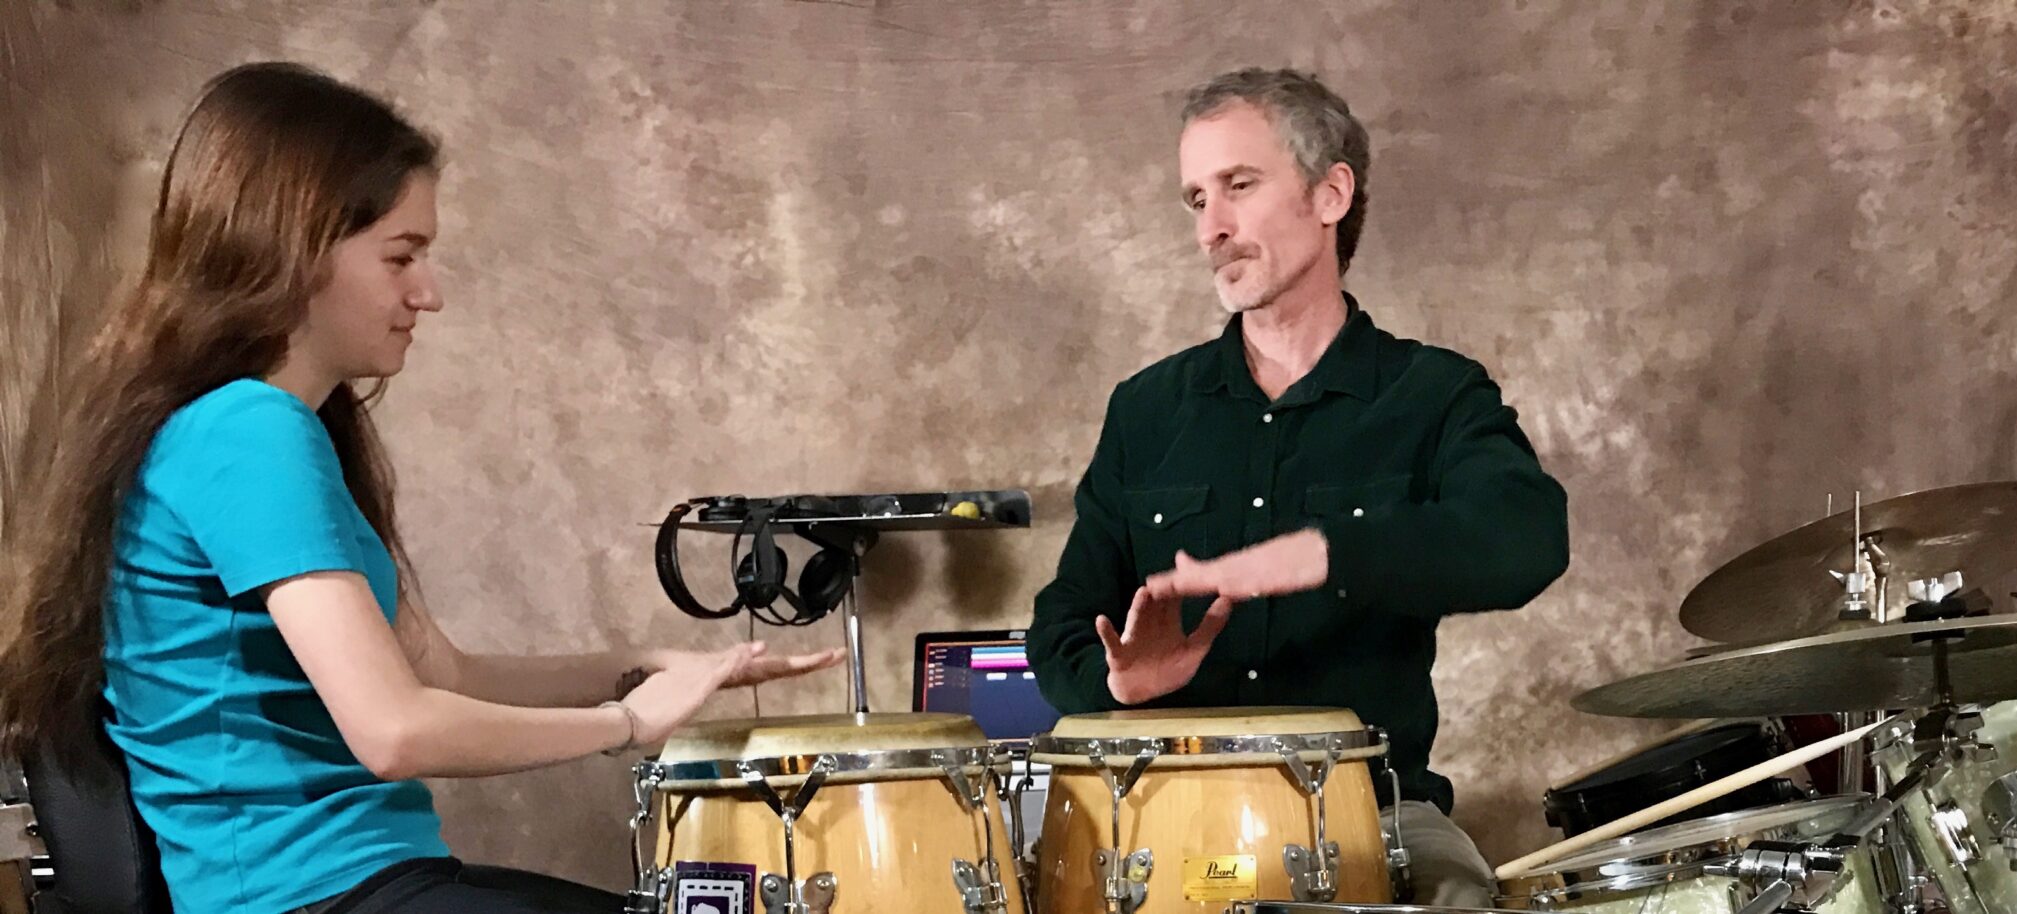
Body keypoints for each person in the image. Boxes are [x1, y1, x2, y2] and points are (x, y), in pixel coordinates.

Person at [0, 63, 842, 914]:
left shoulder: (275, 430)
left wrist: (640, 671)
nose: (427, 294)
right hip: (312, 896)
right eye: (402, 256)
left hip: (367, 885)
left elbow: (440, 670)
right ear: (292, 247)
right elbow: (395, 730)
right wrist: (628, 727)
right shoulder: (245, 434)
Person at [1026, 67, 1570, 906]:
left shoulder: (1433, 394)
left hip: (1376, 808)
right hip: (1171, 812)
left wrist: (1325, 554)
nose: (1213, 225)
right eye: (1196, 200)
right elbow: (1062, 622)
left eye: (1238, 186)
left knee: (1461, 894)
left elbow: (1527, 537)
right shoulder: (1145, 411)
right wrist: (1116, 687)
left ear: (1330, 193)